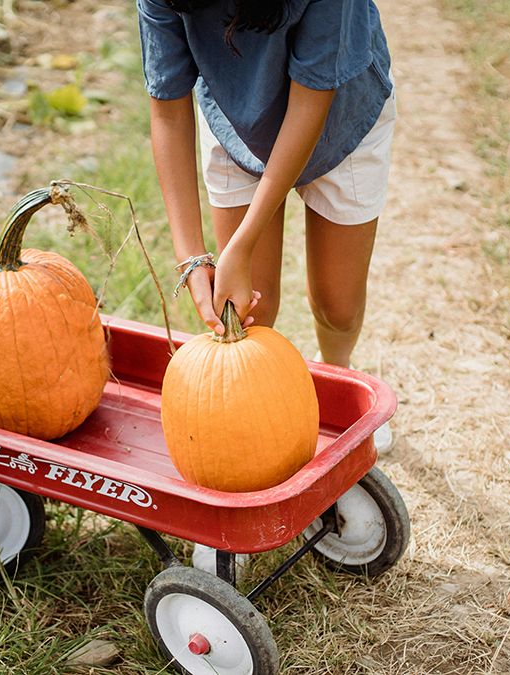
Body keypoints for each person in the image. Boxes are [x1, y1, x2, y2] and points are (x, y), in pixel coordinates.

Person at [137, 0, 396, 571]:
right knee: (252, 310)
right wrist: (194, 257)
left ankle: (339, 398)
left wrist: (243, 241)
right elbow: (168, 109)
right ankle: (244, 457)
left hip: (338, 121)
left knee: (337, 302)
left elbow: (312, 97)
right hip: (238, 128)